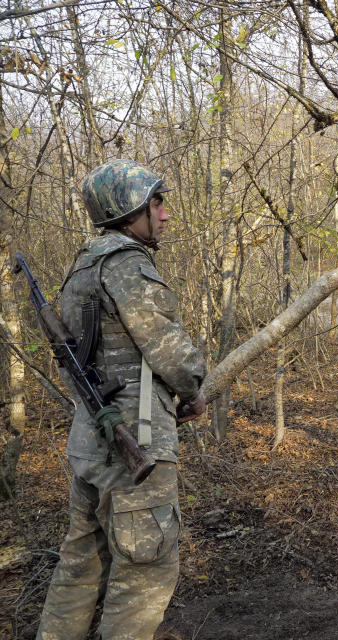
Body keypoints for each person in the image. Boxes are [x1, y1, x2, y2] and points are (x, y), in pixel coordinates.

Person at [36, 159, 207, 639]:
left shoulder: (82, 267)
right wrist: (194, 388)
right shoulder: (126, 263)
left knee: (78, 566)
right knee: (144, 573)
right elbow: (170, 353)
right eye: (157, 203)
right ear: (130, 210)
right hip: (136, 443)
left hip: (90, 444)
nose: (166, 214)